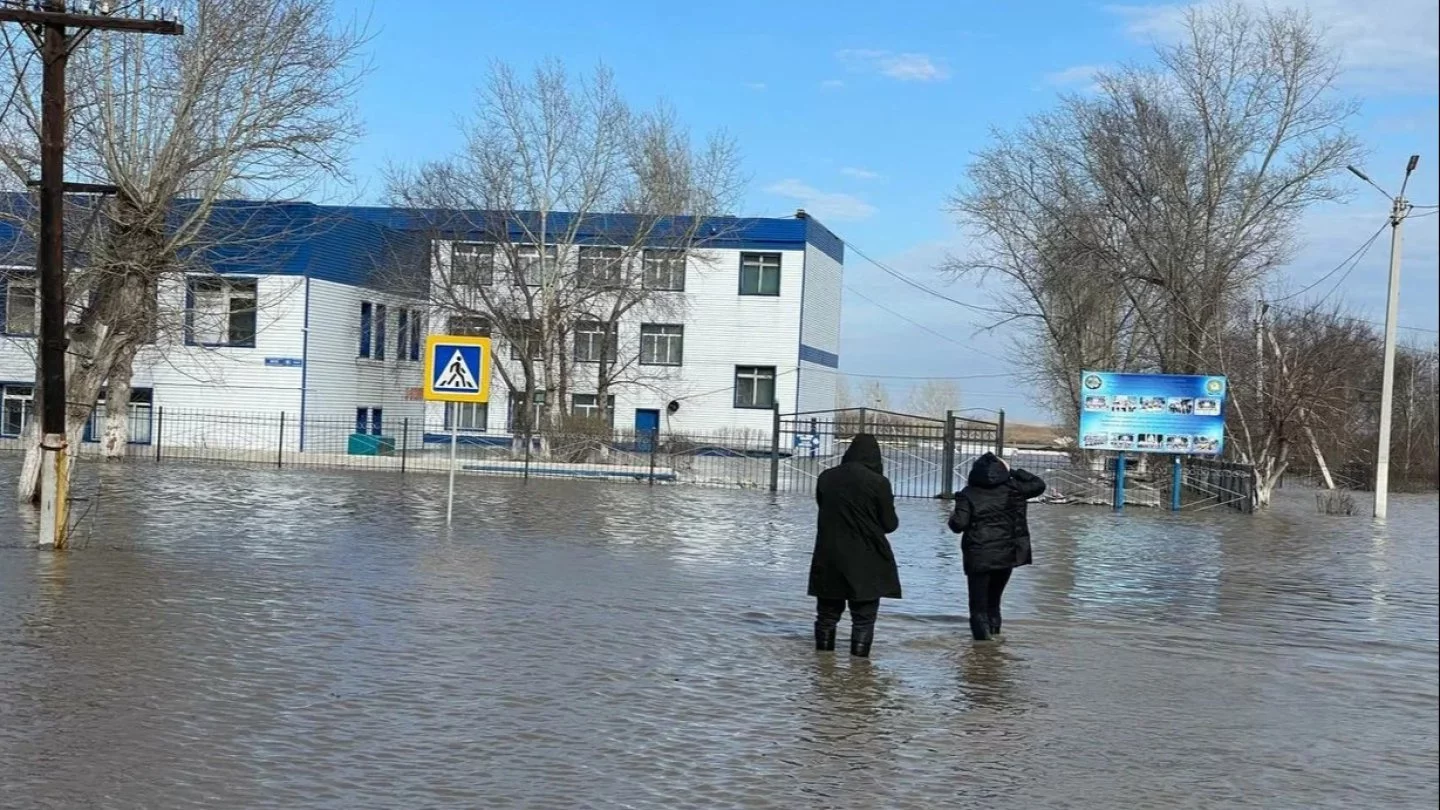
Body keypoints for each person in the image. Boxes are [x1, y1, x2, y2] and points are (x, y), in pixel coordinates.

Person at [807, 433, 902, 658]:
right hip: (867, 558)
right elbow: (890, 524)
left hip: (829, 556)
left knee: (827, 616)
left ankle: (823, 667)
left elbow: (823, 508)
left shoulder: (826, 477)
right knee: (863, 619)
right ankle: (859, 673)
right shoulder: (878, 482)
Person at [947, 452, 1046, 641]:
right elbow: (1039, 484)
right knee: (994, 602)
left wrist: (953, 515)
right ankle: (993, 646)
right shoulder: (1014, 488)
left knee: (978, 607)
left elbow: (957, 525)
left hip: (978, 556)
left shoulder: (967, 494)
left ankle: (981, 652)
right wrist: (1014, 472)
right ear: (1002, 471)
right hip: (1006, 554)